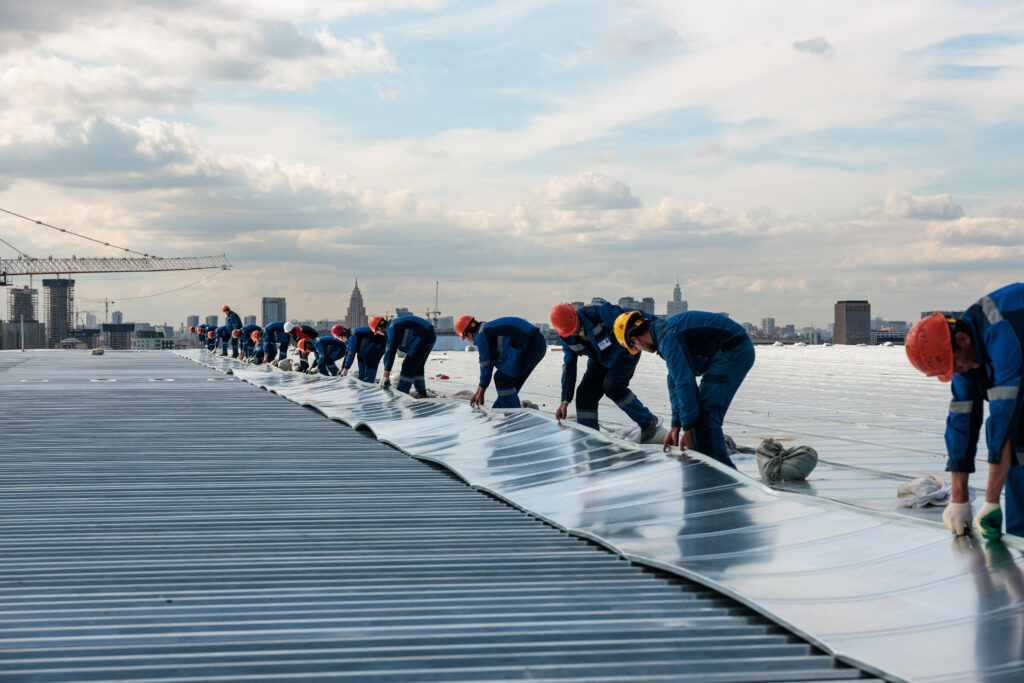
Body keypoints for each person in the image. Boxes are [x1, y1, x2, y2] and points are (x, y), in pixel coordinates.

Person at [905, 283, 1024, 540]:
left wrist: (991, 501)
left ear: (962, 339)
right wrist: (959, 499)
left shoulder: (1002, 331)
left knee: (1018, 438)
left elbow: (1005, 418)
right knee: (1018, 456)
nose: (956, 373)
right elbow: (962, 423)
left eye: (954, 367)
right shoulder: (962, 356)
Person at [612, 309, 754, 468]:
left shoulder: (668, 337)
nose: (640, 350)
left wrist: (687, 429)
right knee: (699, 419)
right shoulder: (664, 334)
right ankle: (706, 471)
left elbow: (684, 382)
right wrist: (676, 425)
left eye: (636, 348)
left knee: (707, 418)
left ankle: (722, 476)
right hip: (727, 350)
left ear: (634, 339)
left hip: (733, 350)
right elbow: (673, 380)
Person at [549, 302, 659, 441]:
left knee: (613, 387)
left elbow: (631, 317)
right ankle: (589, 436)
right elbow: (569, 367)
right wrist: (564, 401)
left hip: (624, 352)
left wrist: (660, 327)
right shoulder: (567, 338)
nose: (574, 332)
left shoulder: (598, 313)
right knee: (585, 393)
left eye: (574, 328)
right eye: (569, 331)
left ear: (575, 316)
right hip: (600, 359)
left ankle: (648, 421)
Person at [455, 315, 546, 408]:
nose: (468, 341)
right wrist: (478, 391)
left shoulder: (481, 336)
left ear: (469, 334)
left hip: (530, 345)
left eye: (465, 338)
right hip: (536, 344)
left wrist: (481, 393)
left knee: (503, 379)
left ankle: (513, 415)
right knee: (508, 382)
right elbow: (488, 364)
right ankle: (500, 409)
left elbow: (486, 366)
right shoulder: (486, 330)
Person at [381, 314, 437, 397]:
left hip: (423, 335)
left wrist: (386, 375)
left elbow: (390, 353)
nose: (380, 334)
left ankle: (401, 393)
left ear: (380, 328)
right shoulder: (394, 325)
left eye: (378, 332)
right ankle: (421, 392)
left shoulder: (391, 329)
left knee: (408, 365)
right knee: (417, 366)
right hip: (430, 334)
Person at [342, 317, 388, 382]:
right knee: (360, 359)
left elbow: (351, 353)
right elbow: (348, 352)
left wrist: (346, 368)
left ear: (341, 336)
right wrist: (343, 367)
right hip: (368, 348)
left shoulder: (352, 336)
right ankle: (363, 381)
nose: (341, 340)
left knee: (370, 361)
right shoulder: (350, 335)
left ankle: (369, 383)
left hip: (378, 346)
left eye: (340, 338)